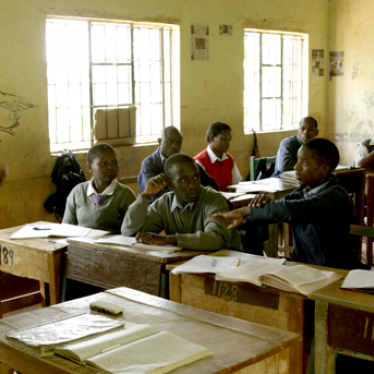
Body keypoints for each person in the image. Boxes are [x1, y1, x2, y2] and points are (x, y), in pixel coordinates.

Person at [213, 138, 365, 269]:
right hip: (304, 267)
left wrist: (247, 211)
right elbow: (280, 208)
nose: (296, 167)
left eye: (304, 163)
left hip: (332, 270)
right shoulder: (302, 191)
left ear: (324, 169)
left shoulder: (335, 196)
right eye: (297, 160)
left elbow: (291, 209)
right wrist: (248, 217)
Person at [122, 154, 242, 251]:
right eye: (185, 180)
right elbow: (129, 231)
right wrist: (145, 195)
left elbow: (216, 239)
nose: (193, 186)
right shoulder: (165, 203)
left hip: (227, 266)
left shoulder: (214, 200)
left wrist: (168, 239)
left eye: (195, 178)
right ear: (170, 184)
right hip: (189, 264)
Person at [63, 143, 136, 233]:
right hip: (81, 244)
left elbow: (132, 231)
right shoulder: (78, 192)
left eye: (114, 162)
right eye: (103, 163)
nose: (110, 167)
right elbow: (67, 228)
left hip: (111, 245)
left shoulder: (125, 195)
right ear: (90, 167)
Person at [138, 126, 219, 202]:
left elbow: (212, 184)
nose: (174, 146)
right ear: (160, 141)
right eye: (170, 142)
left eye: (178, 143)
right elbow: (155, 196)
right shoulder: (150, 163)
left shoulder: (185, 160)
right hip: (160, 212)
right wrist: (191, 192)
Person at [194, 122, 242, 192]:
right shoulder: (199, 162)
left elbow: (237, 184)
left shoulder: (229, 159)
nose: (228, 143)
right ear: (212, 138)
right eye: (224, 139)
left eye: (229, 140)